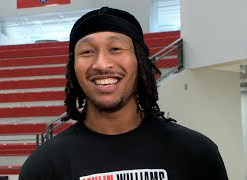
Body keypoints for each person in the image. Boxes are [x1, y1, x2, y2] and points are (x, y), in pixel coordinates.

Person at [19, 7, 228, 180]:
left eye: (116, 48)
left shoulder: (196, 153)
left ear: (140, 62)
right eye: (87, 52)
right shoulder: (44, 165)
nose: (101, 64)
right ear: (73, 67)